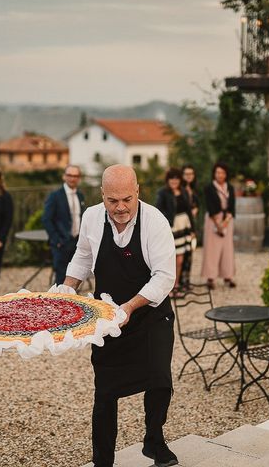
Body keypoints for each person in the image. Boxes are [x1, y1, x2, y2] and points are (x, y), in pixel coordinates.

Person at [63, 164, 178, 467]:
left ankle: (154, 440)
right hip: (107, 319)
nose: (120, 207)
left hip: (151, 315)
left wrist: (129, 306)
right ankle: (103, 461)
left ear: (138, 191)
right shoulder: (91, 217)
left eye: (127, 199)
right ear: (102, 195)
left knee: (159, 380)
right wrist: (66, 289)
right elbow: (83, 257)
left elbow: (165, 278)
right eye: (112, 201)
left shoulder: (155, 222)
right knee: (105, 392)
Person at [42, 165, 86, 284]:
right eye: (70, 175)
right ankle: (59, 300)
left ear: (79, 178)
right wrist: (57, 240)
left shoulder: (80, 195)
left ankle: (72, 299)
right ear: (64, 177)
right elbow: (46, 219)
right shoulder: (55, 196)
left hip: (76, 242)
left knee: (75, 274)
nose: (72, 178)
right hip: (61, 243)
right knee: (61, 277)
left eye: (76, 176)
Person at [155, 167, 195, 296]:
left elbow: (189, 211)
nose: (174, 181)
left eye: (176, 178)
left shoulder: (183, 191)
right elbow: (158, 211)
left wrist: (193, 229)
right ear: (168, 180)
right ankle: (168, 288)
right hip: (171, 228)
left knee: (181, 259)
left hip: (184, 227)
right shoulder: (162, 193)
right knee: (170, 259)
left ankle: (177, 284)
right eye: (172, 178)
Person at [201, 161, 236, 290]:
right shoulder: (209, 187)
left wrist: (226, 222)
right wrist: (218, 224)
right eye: (217, 172)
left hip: (227, 219)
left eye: (222, 172)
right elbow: (210, 207)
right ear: (214, 174)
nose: (219, 175)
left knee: (227, 249)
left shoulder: (230, 188)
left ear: (226, 174)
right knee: (212, 249)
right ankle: (211, 277)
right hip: (213, 220)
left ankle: (228, 276)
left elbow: (232, 206)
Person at [180, 164, 200, 289]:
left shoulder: (194, 189)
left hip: (191, 224)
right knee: (181, 253)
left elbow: (197, 204)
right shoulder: (180, 189)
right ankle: (180, 281)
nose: (189, 176)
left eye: (191, 174)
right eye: (186, 174)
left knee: (189, 252)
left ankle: (186, 280)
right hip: (182, 226)